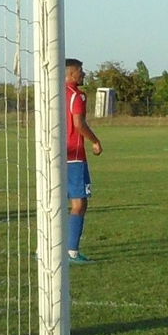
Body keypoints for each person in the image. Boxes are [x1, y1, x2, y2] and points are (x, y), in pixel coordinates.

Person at [65, 58, 100, 262]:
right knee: (79, 203)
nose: (84, 74)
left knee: (55, 202)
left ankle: (43, 248)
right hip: (75, 155)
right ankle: (72, 251)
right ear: (70, 74)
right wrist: (95, 141)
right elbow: (78, 123)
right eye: (80, 71)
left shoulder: (53, 94)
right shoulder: (77, 95)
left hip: (55, 155)